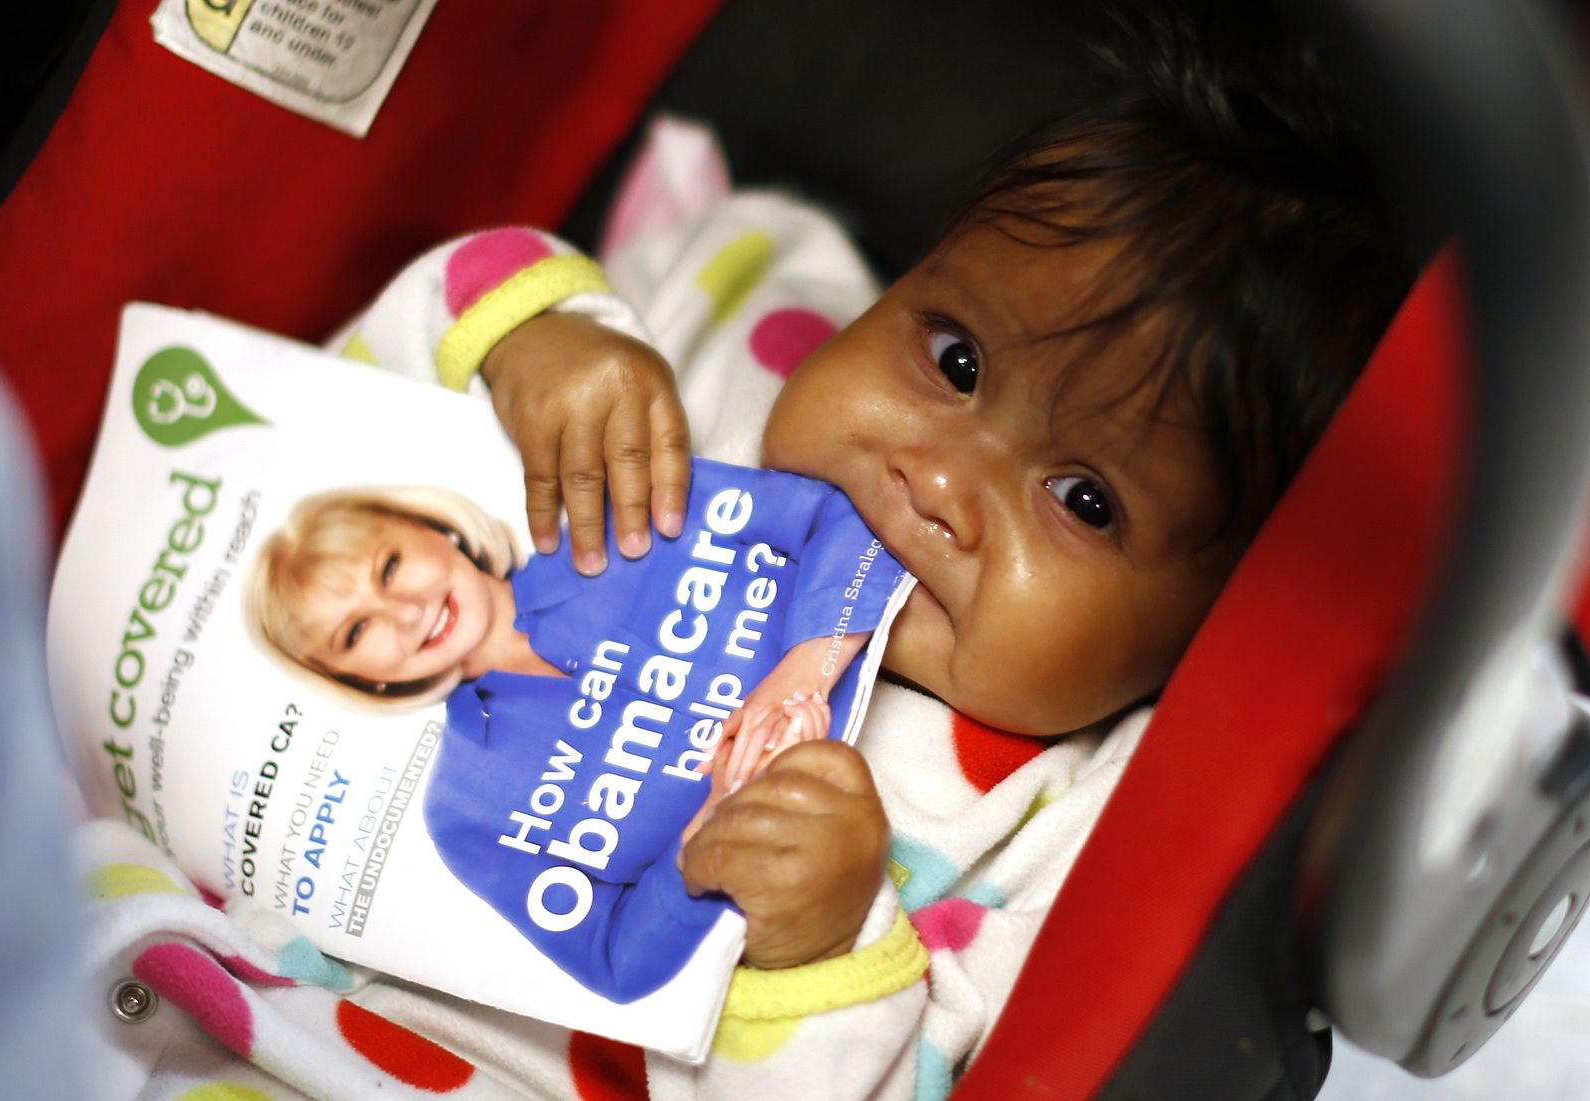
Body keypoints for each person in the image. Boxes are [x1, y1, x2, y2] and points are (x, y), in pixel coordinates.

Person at [86, 7, 1416, 1097]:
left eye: (1085, 501)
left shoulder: (1057, 825)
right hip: (170, 897)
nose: (938, 477)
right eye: (953, 359)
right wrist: (538, 339)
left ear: (1195, 630)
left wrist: (821, 951)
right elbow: (353, 429)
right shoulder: (739, 338)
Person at [249, 473, 907, 1001]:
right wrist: (711, 825)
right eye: (356, 631)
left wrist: (805, 673)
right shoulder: (461, 811)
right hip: (822, 905)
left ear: (434, 527)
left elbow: (851, 514)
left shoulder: (628, 514)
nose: (403, 610)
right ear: (355, 676)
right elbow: (614, 961)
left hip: (910, 687)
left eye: (389, 566)